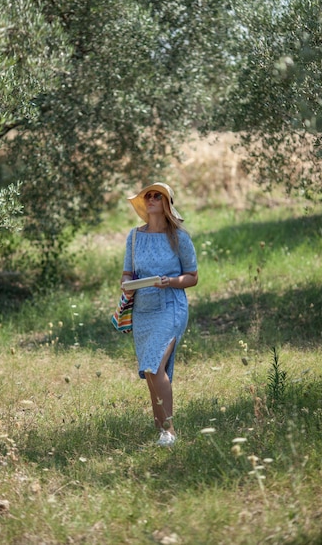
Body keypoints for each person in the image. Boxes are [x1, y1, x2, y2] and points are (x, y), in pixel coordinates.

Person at [121, 182, 198, 447]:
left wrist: (171, 282)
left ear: (166, 203)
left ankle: (169, 431)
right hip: (143, 310)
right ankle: (159, 424)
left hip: (171, 306)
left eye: (158, 195)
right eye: (148, 195)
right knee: (150, 370)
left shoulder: (180, 237)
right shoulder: (134, 236)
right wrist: (127, 287)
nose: (151, 198)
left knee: (155, 363)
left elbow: (192, 277)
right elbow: (127, 273)